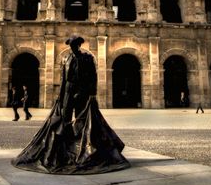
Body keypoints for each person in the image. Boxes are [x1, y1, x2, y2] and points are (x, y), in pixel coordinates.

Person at [12, 35, 130, 174]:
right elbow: (63, 79)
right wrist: (59, 97)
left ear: (79, 45)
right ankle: (65, 147)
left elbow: (93, 77)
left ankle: (80, 146)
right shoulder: (66, 58)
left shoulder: (87, 58)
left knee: (81, 118)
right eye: (70, 45)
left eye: (74, 44)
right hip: (68, 91)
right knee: (64, 118)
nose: (72, 47)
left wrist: (91, 93)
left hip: (82, 91)